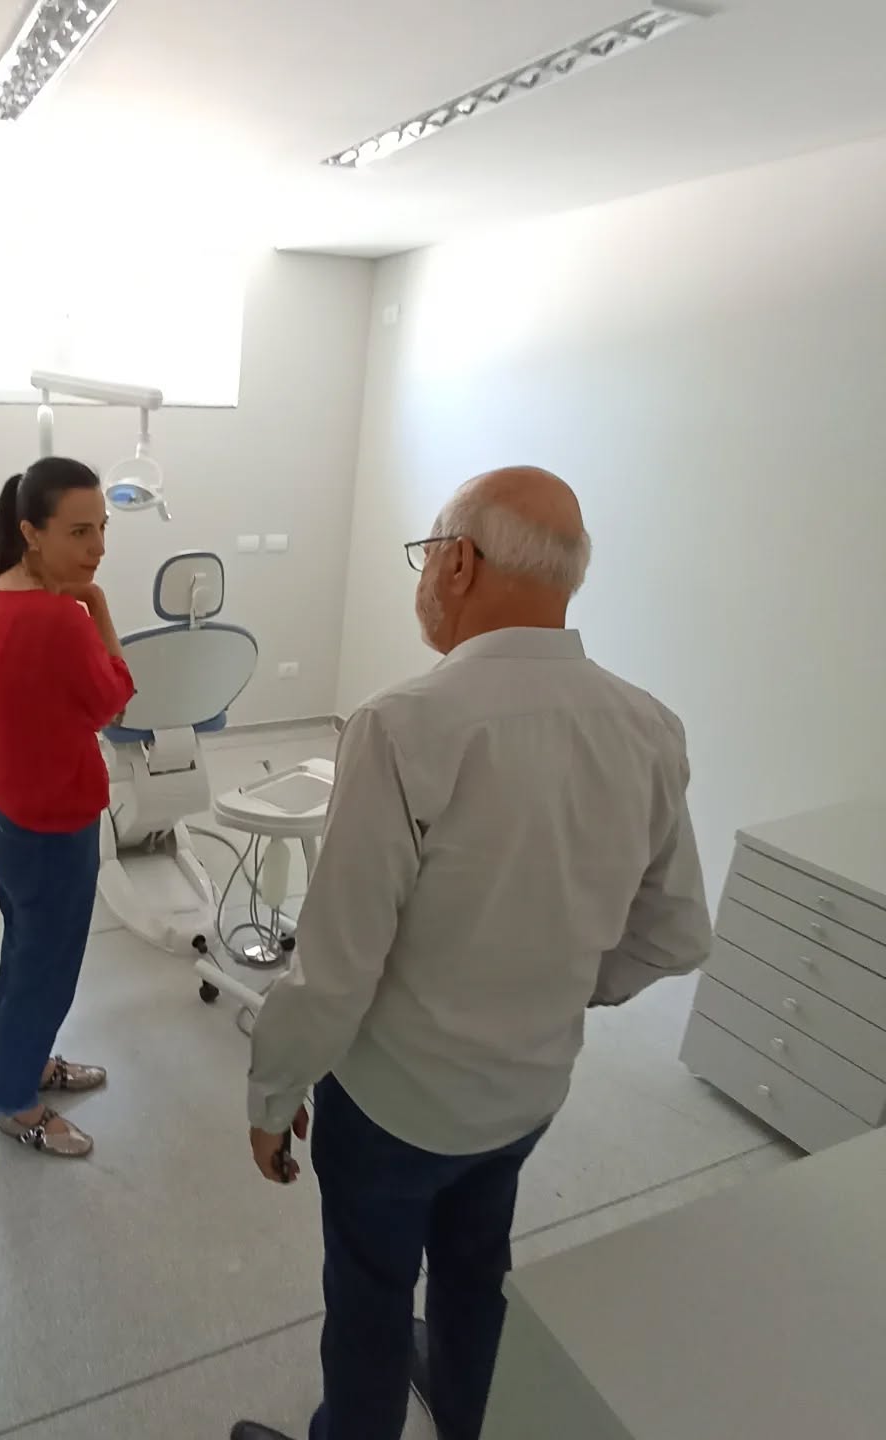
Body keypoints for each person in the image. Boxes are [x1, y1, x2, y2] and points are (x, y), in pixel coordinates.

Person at [232, 467, 712, 1440]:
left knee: (369, 1293)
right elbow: (676, 934)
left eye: (426, 556)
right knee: (474, 1265)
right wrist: (564, 983)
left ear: (456, 563)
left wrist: (271, 1097)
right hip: (528, 1093)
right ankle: (464, 1412)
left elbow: (335, 973)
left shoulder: (404, 726)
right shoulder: (649, 727)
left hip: (395, 1107)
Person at [0, 456, 136, 1158]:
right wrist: (98, 607)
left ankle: (28, 1064)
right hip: (54, 829)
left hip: (5, 820)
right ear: (31, 532)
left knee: (24, 957)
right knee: (46, 971)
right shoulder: (62, 618)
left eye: (102, 528)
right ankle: (14, 1103)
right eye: (80, 532)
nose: (98, 548)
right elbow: (114, 700)